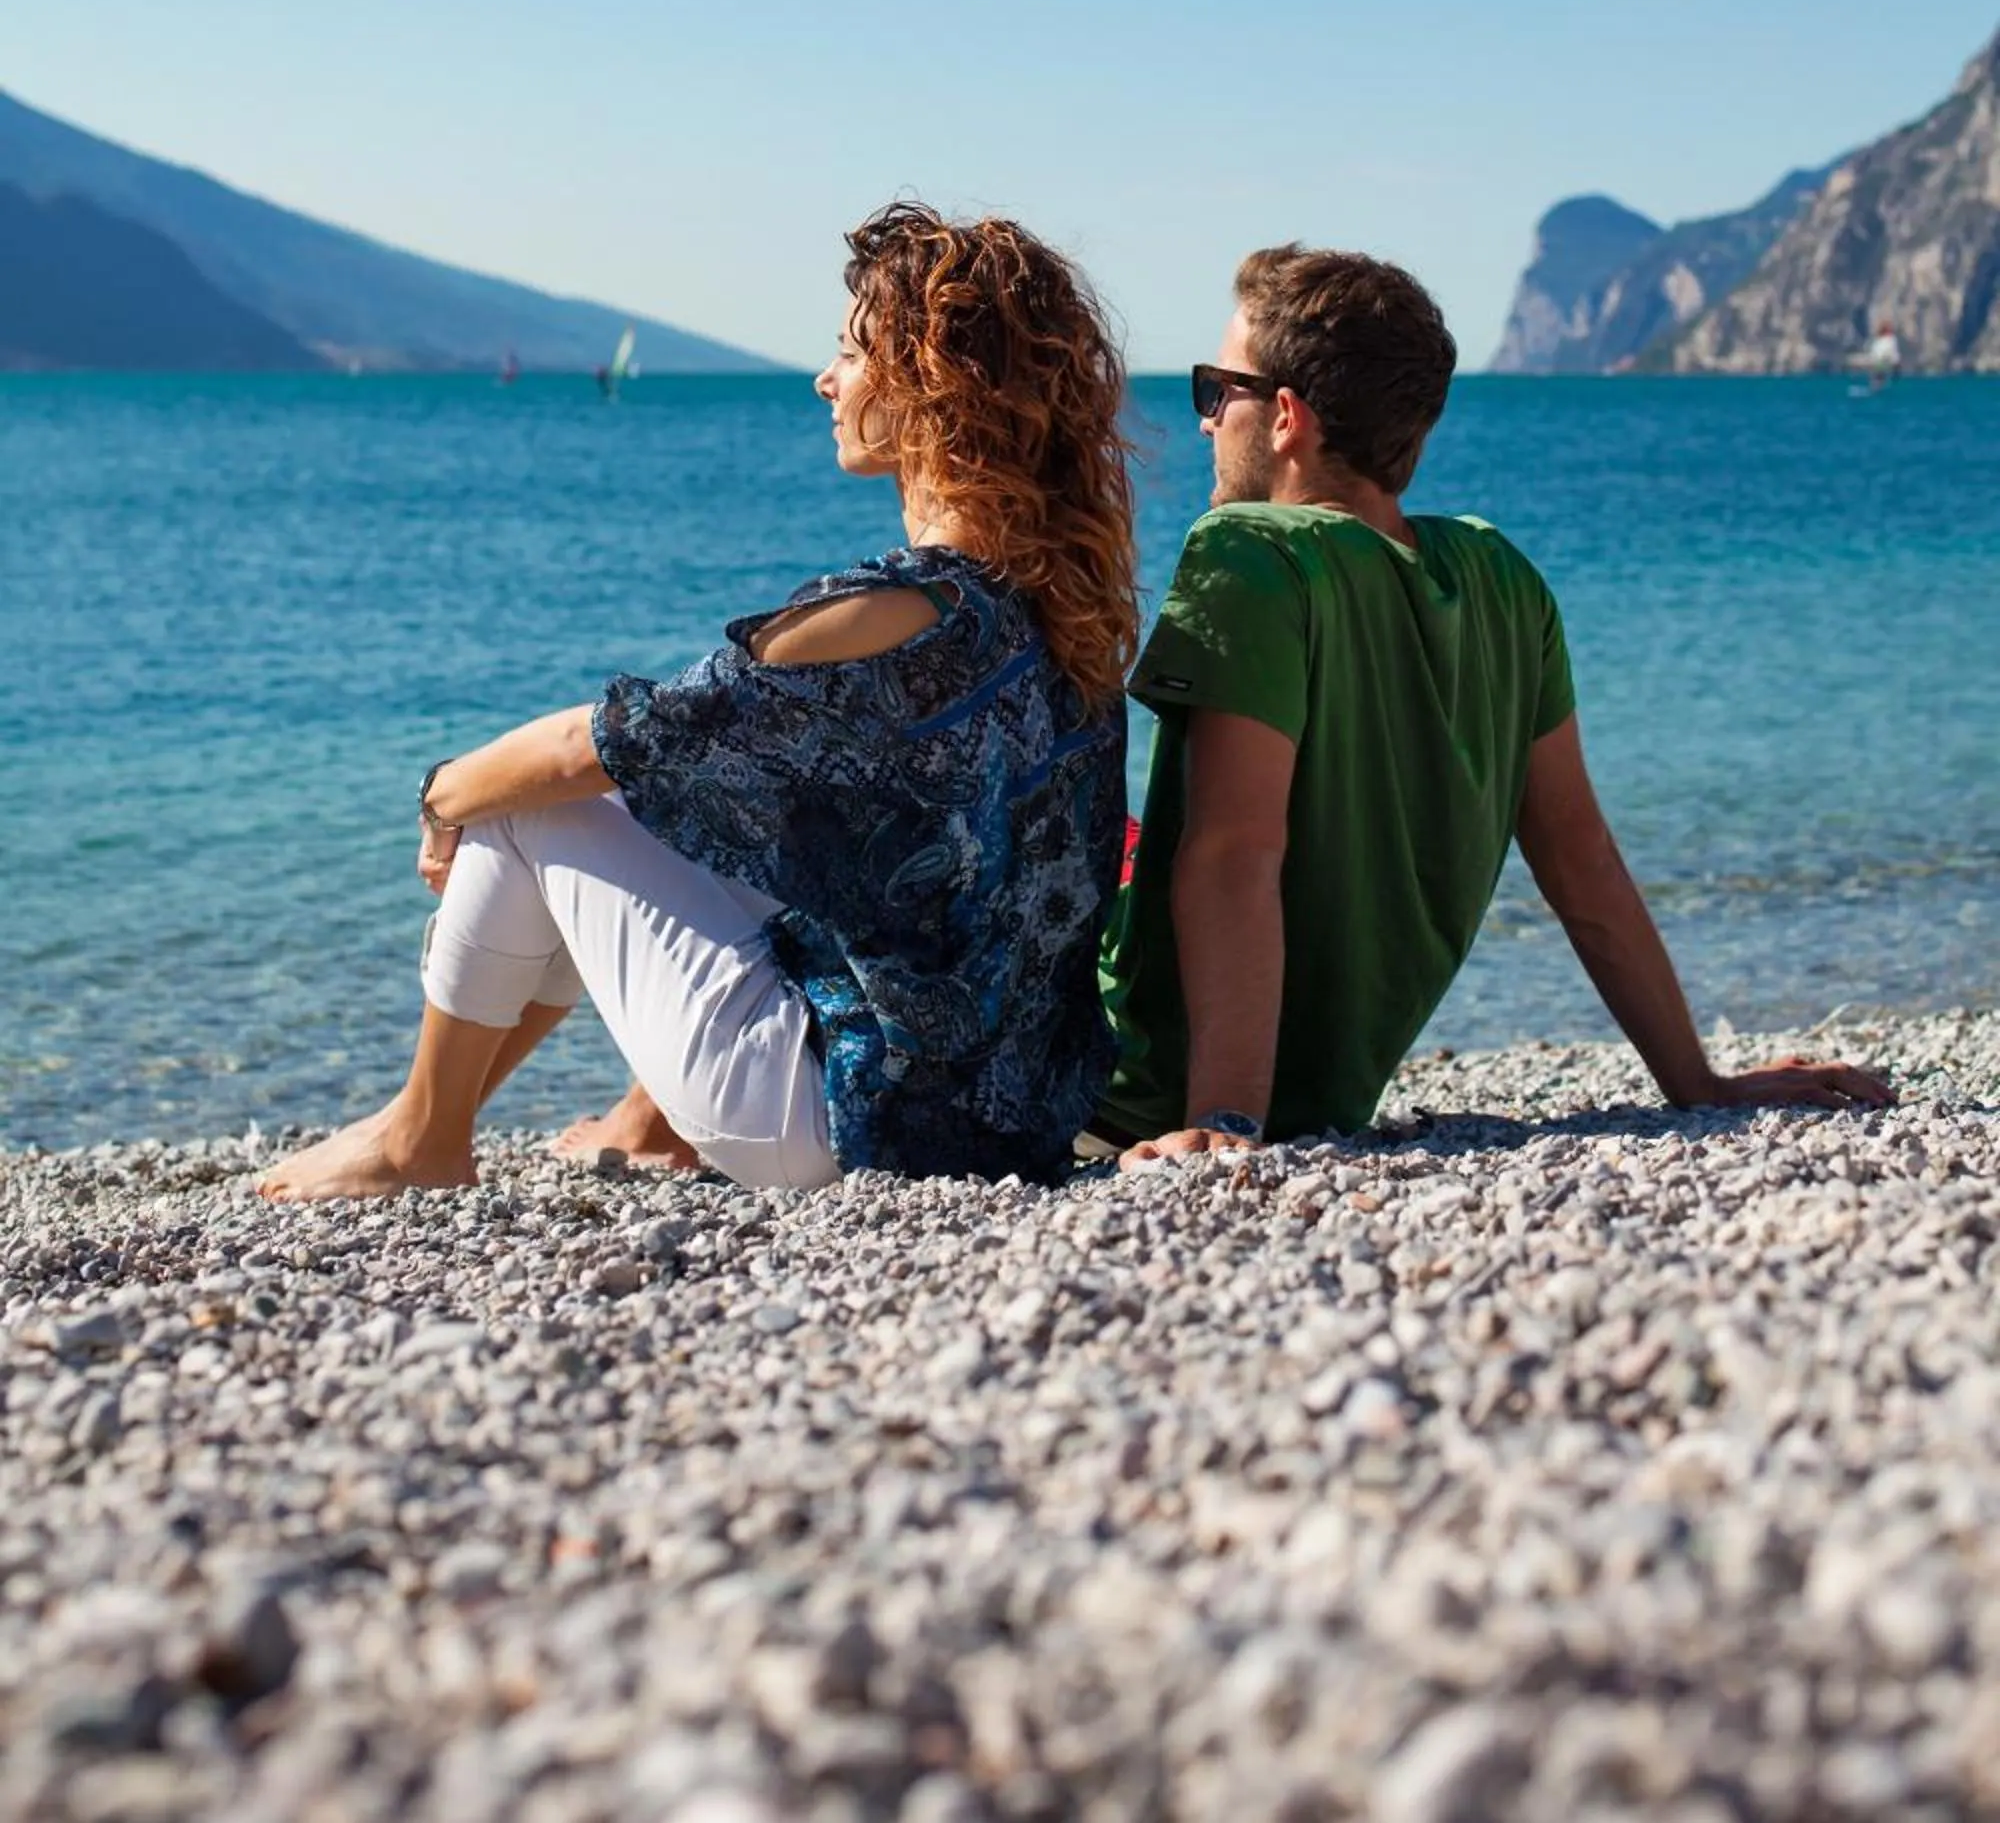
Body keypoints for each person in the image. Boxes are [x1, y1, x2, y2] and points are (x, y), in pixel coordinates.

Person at [261, 204, 1137, 1202]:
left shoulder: (881, 616)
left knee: (526, 803)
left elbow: (597, 746)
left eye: (849, 354)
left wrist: (442, 793)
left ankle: (420, 1137)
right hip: (1013, 1124)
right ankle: (598, 1126)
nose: (825, 380)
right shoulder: (1055, 607)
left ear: (926, 381)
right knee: (727, 808)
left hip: (851, 1128)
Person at [1095, 245, 1891, 1165]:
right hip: (1324, 1099)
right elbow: (1580, 859)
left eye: (1214, 390)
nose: (1203, 422)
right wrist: (1696, 1084)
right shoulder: (1500, 578)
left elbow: (1236, 850)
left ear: (1285, 417)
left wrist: (1228, 1121)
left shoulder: (1249, 553)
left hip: (1123, 1087)